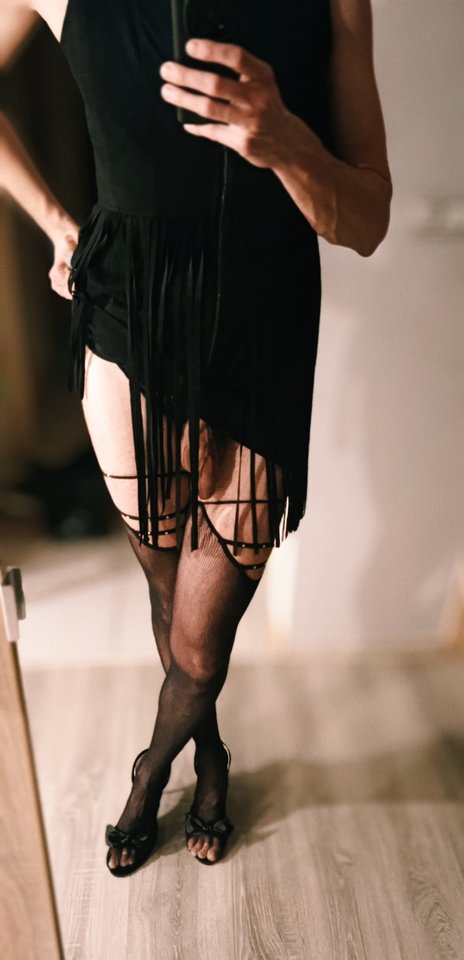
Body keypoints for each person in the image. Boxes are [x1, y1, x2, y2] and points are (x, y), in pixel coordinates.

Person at [0, 0, 392, 874]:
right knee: (165, 587)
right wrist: (58, 223)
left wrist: (286, 142)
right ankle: (208, 759)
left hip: (263, 328)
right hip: (128, 314)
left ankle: (151, 772)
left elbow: (367, 221)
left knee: (198, 641)